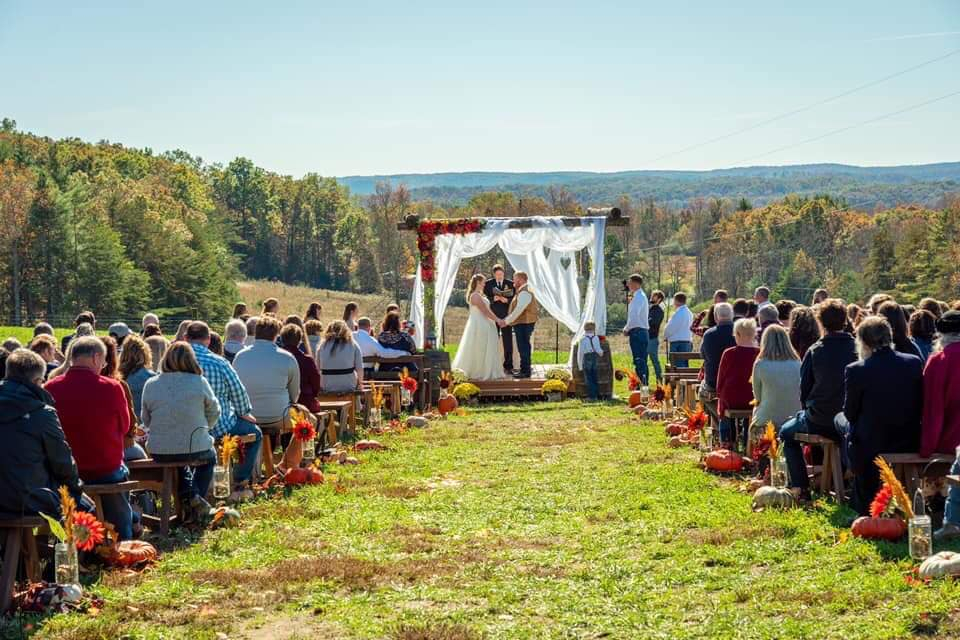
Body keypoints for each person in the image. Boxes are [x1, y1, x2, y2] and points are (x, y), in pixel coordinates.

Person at [45, 337, 135, 539]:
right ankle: (124, 537)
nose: (103, 366)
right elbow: (125, 427)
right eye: (103, 361)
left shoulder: (50, 388)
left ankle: (83, 541)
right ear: (95, 357)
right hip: (105, 468)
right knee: (120, 474)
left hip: (64, 472)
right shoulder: (112, 387)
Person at [839, 317, 923, 515]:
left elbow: (850, 413)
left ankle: (854, 474)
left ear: (863, 342)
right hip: (908, 438)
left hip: (872, 443)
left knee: (841, 422)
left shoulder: (856, 370)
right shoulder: (913, 362)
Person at [779, 299, 858, 499]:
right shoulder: (857, 348)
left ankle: (800, 485)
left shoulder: (816, 350)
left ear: (820, 322)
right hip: (850, 418)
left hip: (820, 419)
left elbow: (804, 389)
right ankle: (837, 479)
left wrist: (808, 408)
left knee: (786, 433)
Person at [0, 349, 87, 517]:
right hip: (27, 499)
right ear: (38, 380)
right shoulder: (42, 413)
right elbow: (62, 462)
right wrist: (77, 488)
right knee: (88, 510)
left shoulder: (41, 412)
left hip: (12, 495)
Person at [141, 342, 220, 521]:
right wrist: (204, 427)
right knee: (209, 457)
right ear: (191, 360)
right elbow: (215, 410)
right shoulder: (199, 382)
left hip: (160, 449)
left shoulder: (151, 383)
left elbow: (146, 419)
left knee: (179, 461)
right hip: (195, 445)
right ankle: (194, 498)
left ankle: (190, 498)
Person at [186, 322, 261, 492]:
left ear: (185, 338)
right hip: (219, 426)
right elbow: (238, 392)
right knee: (255, 433)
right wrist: (244, 412)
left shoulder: (172, 362)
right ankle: (239, 481)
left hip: (184, 427)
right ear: (208, 339)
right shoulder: (220, 362)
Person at [233, 316, 299, 432]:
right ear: (276, 335)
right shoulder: (287, 357)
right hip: (279, 416)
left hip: (247, 416)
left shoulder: (240, 356)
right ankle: (290, 449)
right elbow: (294, 396)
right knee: (307, 420)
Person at [453, 274, 507, 381]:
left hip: (485, 324)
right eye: (483, 282)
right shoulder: (475, 296)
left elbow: (489, 311)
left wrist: (496, 319)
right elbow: (485, 311)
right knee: (480, 348)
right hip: (479, 325)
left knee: (484, 347)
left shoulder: (480, 295)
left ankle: (486, 369)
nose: (485, 284)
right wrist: (498, 320)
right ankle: (478, 371)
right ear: (478, 282)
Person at [716, 318, 760, 446]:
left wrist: (719, 394)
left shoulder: (729, 353)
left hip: (731, 398)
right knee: (751, 410)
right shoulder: (759, 353)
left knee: (723, 407)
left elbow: (721, 377)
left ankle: (726, 440)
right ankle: (748, 440)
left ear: (738, 334)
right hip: (752, 397)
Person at [752, 324, 802, 431]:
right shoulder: (798, 363)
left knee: (756, 413)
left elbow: (758, 396)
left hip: (767, 417)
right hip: (794, 416)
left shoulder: (760, 364)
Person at [698, 303, 736, 423]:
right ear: (732, 316)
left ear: (715, 317)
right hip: (738, 384)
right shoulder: (741, 332)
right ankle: (722, 424)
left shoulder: (709, 334)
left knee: (702, 393)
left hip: (714, 385)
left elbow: (703, 356)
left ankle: (718, 424)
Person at [501, 271, 538, 379]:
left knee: (524, 347)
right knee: (523, 347)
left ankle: (525, 372)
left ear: (521, 280)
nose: (513, 281)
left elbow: (518, 310)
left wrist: (505, 321)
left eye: (515, 278)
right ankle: (524, 370)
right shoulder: (522, 291)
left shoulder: (525, 292)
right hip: (522, 323)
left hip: (524, 324)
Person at [280, 323, 321, 413]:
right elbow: (316, 383)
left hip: (281, 403)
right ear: (299, 340)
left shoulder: (276, 359)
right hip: (305, 402)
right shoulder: (307, 360)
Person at [317, 320, 365, 393]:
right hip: (349, 385)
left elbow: (317, 368)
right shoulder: (353, 344)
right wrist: (360, 384)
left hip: (327, 385)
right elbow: (359, 368)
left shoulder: (322, 345)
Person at [484, 265, 515, 374]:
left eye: (501, 274)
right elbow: (483, 297)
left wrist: (506, 300)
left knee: (508, 342)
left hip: (507, 316)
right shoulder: (488, 284)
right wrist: (493, 299)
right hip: (492, 316)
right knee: (492, 340)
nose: (499, 276)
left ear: (504, 273)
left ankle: (508, 365)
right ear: (494, 274)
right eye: (497, 275)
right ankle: (491, 365)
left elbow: (515, 299)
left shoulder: (510, 284)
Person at [118, 335, 156, 425]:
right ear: (145, 354)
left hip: (123, 426)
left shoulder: (115, 378)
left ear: (123, 354)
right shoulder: (152, 378)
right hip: (145, 428)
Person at [621, 274, 650, 385]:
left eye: (630, 282)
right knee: (642, 361)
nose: (628, 284)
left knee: (639, 361)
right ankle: (643, 385)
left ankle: (642, 386)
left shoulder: (638, 297)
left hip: (637, 332)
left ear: (635, 283)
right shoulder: (640, 296)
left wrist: (626, 328)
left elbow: (633, 316)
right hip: (642, 331)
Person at [662, 292, 694, 367]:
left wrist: (665, 336)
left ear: (676, 301)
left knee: (677, 365)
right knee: (684, 364)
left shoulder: (679, 313)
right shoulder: (689, 312)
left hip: (678, 343)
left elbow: (671, 327)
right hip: (687, 341)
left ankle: (679, 379)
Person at [578, 322, 603, 401]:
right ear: (594, 329)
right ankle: (596, 395)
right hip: (594, 357)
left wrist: (580, 365)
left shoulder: (583, 339)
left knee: (588, 378)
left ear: (585, 329)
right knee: (595, 376)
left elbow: (580, 353)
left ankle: (591, 396)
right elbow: (598, 349)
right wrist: (601, 353)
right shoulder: (596, 338)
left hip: (587, 356)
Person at [647, 290, 665, 385]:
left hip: (652, 339)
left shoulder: (659, 311)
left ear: (659, 299)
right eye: (651, 295)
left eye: (654, 296)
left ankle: (659, 381)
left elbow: (653, 323)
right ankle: (643, 382)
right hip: (645, 338)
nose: (651, 297)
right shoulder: (649, 309)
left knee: (654, 361)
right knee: (643, 360)